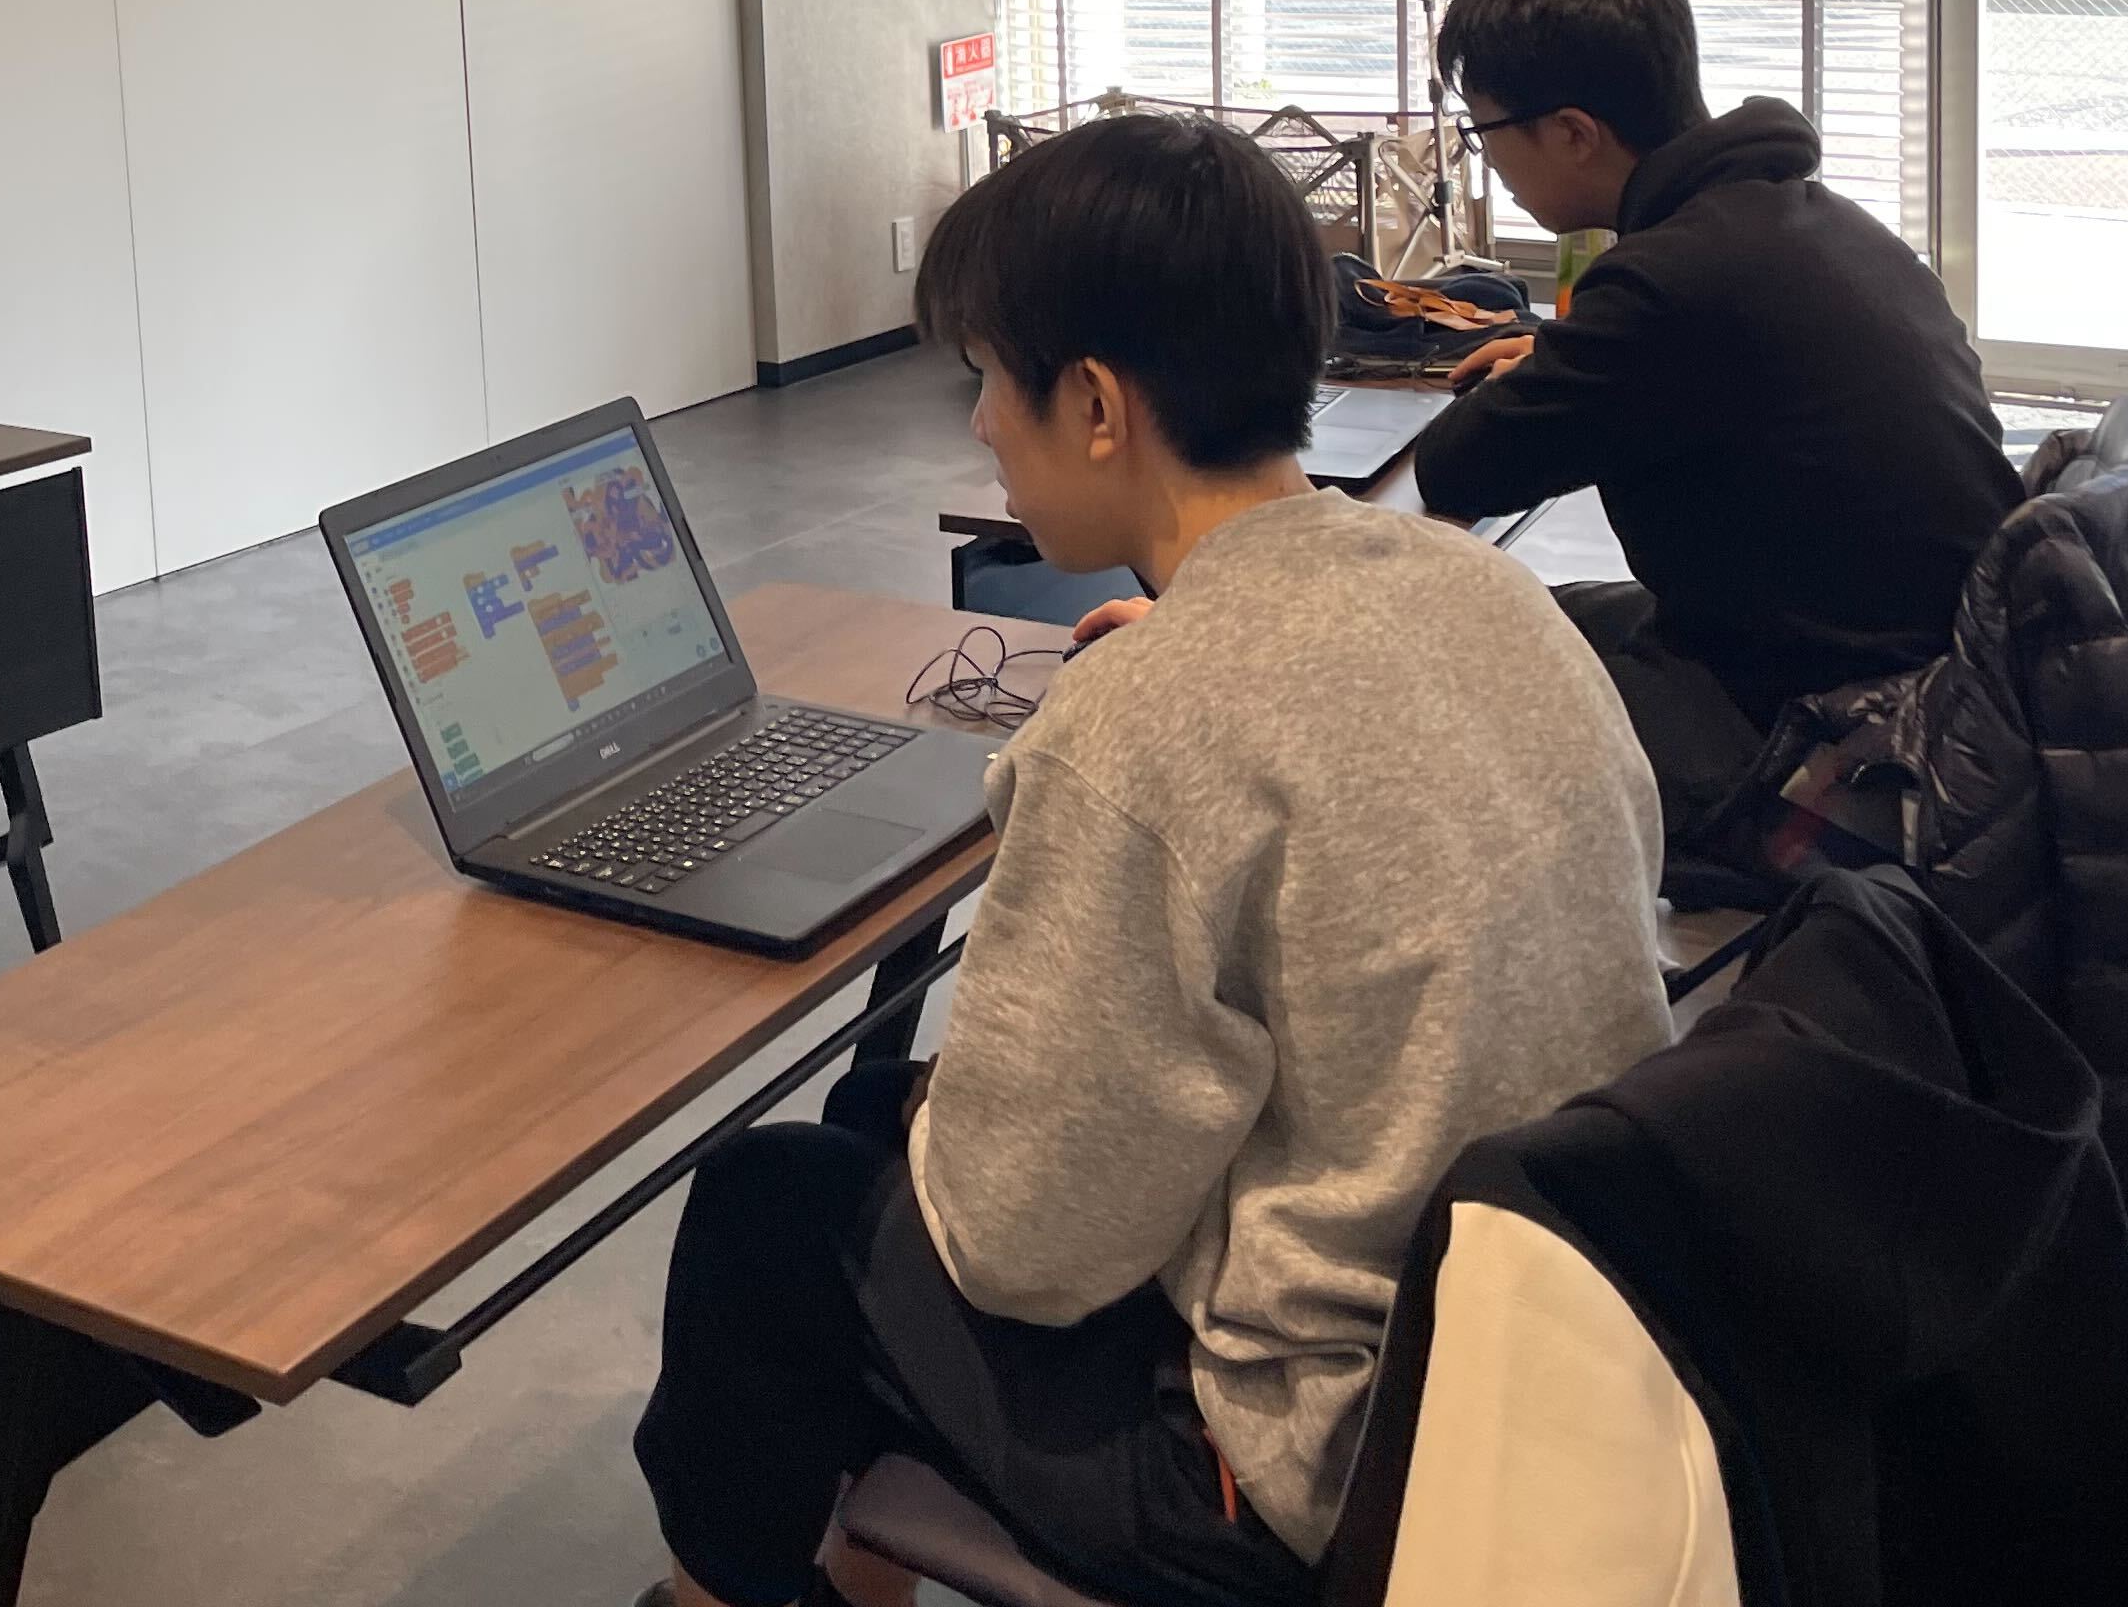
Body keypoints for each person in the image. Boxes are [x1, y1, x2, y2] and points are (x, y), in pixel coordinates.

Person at [629, 114, 1672, 1607]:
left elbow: (1020, 1249)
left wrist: (1101, 772)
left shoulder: (1147, 725)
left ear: (1097, 405)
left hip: (1307, 1476)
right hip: (1550, 1355)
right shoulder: (1490, 596)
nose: (980, 426)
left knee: (769, 1208)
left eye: (988, 380)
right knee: (877, 1120)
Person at [1412, 0, 2020, 848]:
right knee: (1500, 615)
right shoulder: (1805, 220)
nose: (1485, 161)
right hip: (1942, 677)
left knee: (1422, 685)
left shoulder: (1671, 283)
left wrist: (1562, 364)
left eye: (1484, 133)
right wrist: (1564, 357)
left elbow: (1459, 468)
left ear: (1573, 133)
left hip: (1837, 737)